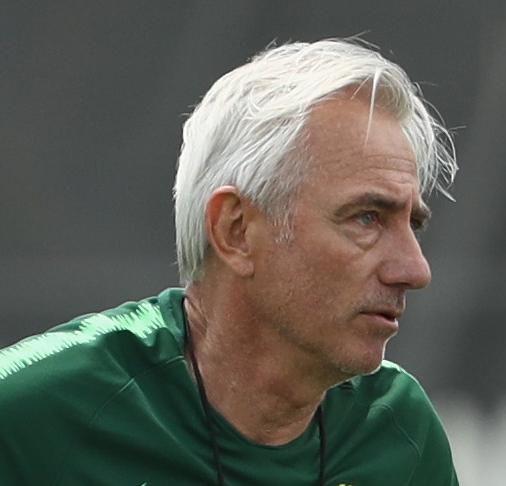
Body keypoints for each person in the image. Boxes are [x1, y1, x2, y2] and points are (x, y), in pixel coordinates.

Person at [0, 38, 459, 485]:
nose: (414, 270)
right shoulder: (29, 415)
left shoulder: (400, 432)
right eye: (366, 218)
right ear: (236, 230)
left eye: (412, 224)